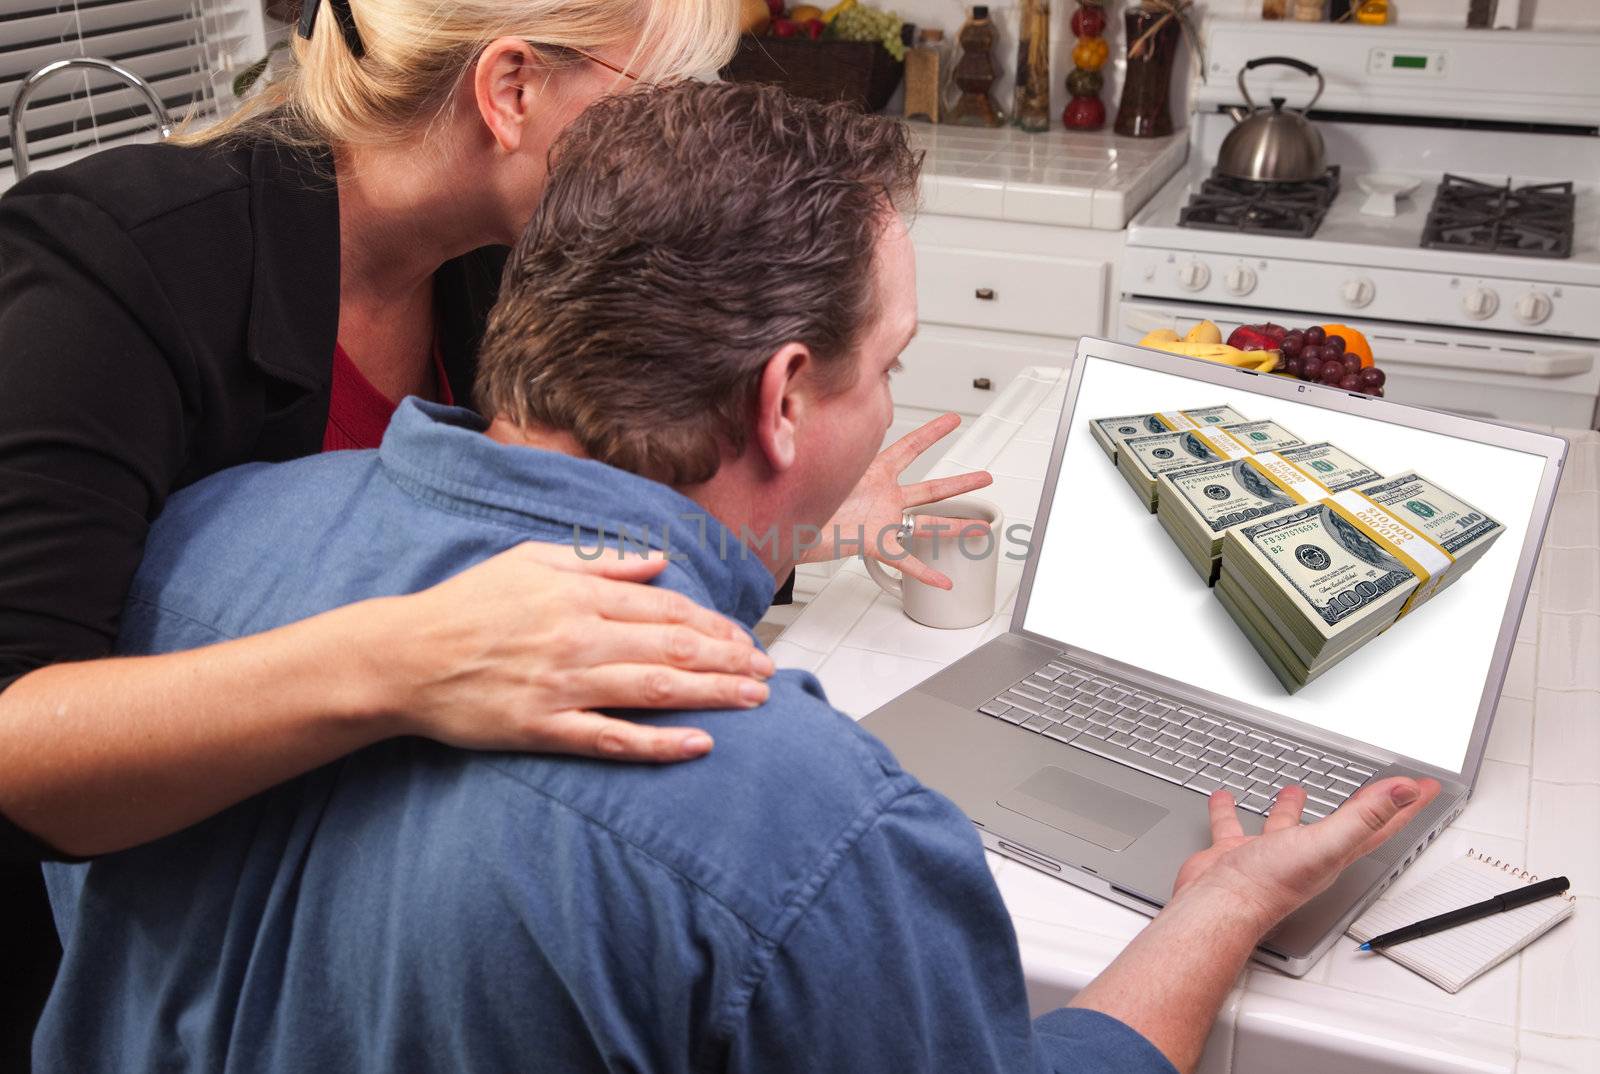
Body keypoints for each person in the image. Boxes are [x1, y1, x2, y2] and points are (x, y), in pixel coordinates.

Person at [37, 81, 1440, 1074]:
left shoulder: (201, 543)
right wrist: (1219, 907)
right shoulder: (805, 821)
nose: (888, 399)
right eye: (886, 366)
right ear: (782, 400)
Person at [0, 0, 987, 1056]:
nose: (681, 137)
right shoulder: (113, 271)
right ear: (510, 88)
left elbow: (547, 494)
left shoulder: (502, 254)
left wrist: (792, 522)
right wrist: (409, 656)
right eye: (657, 96)